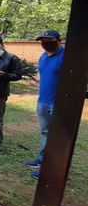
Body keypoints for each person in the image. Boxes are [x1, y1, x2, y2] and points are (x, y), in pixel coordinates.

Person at [25, 30, 65, 180]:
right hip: (42, 101)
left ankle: (51, 168)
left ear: (58, 40)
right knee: (45, 133)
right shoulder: (43, 57)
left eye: (49, 39)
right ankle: (43, 159)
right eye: (42, 40)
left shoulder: (66, 57)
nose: (45, 42)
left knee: (56, 137)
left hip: (58, 103)